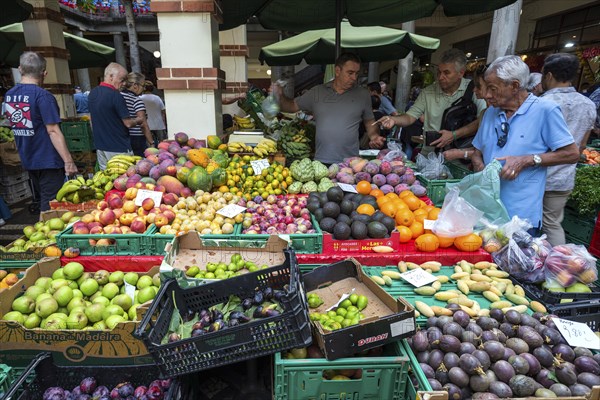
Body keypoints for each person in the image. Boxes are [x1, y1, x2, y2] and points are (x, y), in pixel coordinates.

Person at [470, 55, 579, 233]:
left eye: (492, 88)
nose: (487, 95)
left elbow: (572, 153)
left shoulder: (545, 110)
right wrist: (478, 163)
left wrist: (526, 160)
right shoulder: (491, 112)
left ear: (514, 86)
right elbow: (477, 150)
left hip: (520, 218)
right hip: (487, 212)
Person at [273, 53, 385, 165]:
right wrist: (280, 96)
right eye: (350, 73)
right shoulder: (317, 92)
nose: (354, 78)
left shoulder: (363, 94)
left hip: (351, 164)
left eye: (356, 73)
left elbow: (370, 121)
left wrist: (374, 136)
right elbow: (291, 106)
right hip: (321, 162)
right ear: (337, 71)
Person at [3, 52, 77, 211]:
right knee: (51, 205)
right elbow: (53, 131)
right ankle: (47, 232)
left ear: (20, 69)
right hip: (47, 160)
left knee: (43, 198)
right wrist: (68, 161)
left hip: (28, 158)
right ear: (44, 73)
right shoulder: (43, 96)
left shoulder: (9, 96)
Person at [379, 48, 487, 150]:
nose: (440, 77)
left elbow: (482, 120)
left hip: (460, 157)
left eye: (446, 73)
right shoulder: (428, 92)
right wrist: (393, 119)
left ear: (461, 73)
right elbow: (410, 117)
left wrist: (454, 135)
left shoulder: (474, 90)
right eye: (439, 72)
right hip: (430, 154)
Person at [539, 53, 596, 245]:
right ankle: (559, 268)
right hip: (563, 178)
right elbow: (581, 146)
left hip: (536, 176)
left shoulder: (542, 103)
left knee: (525, 224)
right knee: (552, 224)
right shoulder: (588, 104)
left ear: (548, 76)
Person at [88, 62, 144, 170]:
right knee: (124, 181)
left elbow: (91, 119)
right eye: (122, 80)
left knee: (107, 179)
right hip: (119, 148)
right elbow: (128, 123)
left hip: (100, 147)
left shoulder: (93, 93)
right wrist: (138, 120)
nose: (124, 84)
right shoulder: (116, 96)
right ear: (111, 76)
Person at [443, 63, 490, 162]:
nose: (474, 90)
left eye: (478, 86)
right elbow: (479, 150)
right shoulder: (485, 113)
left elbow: (492, 152)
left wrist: (459, 153)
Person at [121, 72, 153, 157]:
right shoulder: (136, 100)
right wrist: (151, 142)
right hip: (136, 139)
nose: (143, 89)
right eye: (143, 86)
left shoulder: (118, 96)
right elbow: (143, 123)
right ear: (135, 85)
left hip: (122, 137)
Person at [139, 80, 167, 147]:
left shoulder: (140, 98)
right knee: (162, 145)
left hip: (147, 125)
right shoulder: (157, 98)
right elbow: (163, 111)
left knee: (150, 145)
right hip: (159, 124)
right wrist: (164, 123)